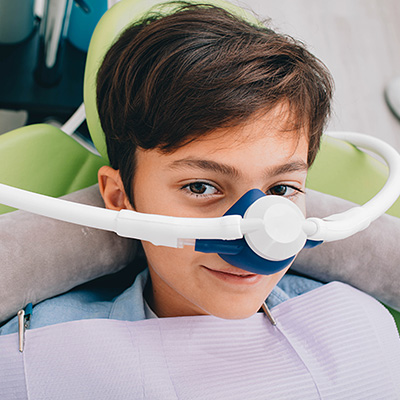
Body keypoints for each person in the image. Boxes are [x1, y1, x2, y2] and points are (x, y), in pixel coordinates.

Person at [1, 2, 399, 397]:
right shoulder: (35, 360)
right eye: (201, 187)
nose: (257, 237)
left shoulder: (363, 331)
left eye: (280, 189)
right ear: (120, 197)